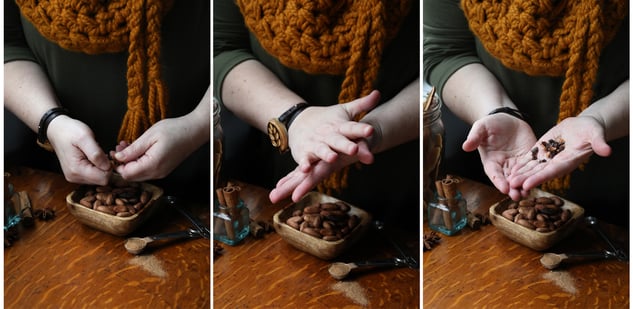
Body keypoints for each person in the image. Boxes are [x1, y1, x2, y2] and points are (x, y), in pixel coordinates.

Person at [214, 0, 420, 227]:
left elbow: (444, 56)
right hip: (283, 189)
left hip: (406, 187)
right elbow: (223, 49)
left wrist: (377, 129)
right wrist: (294, 118)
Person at [423, 0, 629, 226]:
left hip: (619, 175)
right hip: (493, 172)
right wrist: (497, 108)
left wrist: (600, 118)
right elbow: (446, 51)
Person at [4, 0, 211, 202]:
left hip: (201, 168)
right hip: (52, 179)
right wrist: (52, 122)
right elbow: (6, 44)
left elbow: (233, 44)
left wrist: (198, 126)